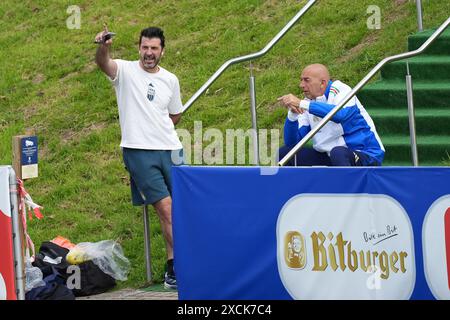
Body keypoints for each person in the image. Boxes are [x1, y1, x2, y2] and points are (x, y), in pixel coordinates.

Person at [94, 26, 183, 289]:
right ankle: (189, 264)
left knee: (180, 210)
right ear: (139, 48)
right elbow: (103, 63)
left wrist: (157, 125)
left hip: (172, 149)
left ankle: (173, 267)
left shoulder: (170, 79)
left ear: (162, 51)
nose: (149, 53)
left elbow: (175, 114)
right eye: (145, 47)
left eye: (154, 48)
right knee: (166, 209)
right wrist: (103, 46)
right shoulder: (125, 70)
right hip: (138, 152)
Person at [277, 64, 384, 166]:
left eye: (306, 80)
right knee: (285, 153)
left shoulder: (340, 89)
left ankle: (347, 185)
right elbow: (292, 143)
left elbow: (340, 114)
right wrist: (292, 114)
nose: (301, 85)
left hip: (365, 153)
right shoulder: (307, 102)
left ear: (323, 83)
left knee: (338, 153)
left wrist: (301, 103)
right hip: (330, 156)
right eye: (301, 80)